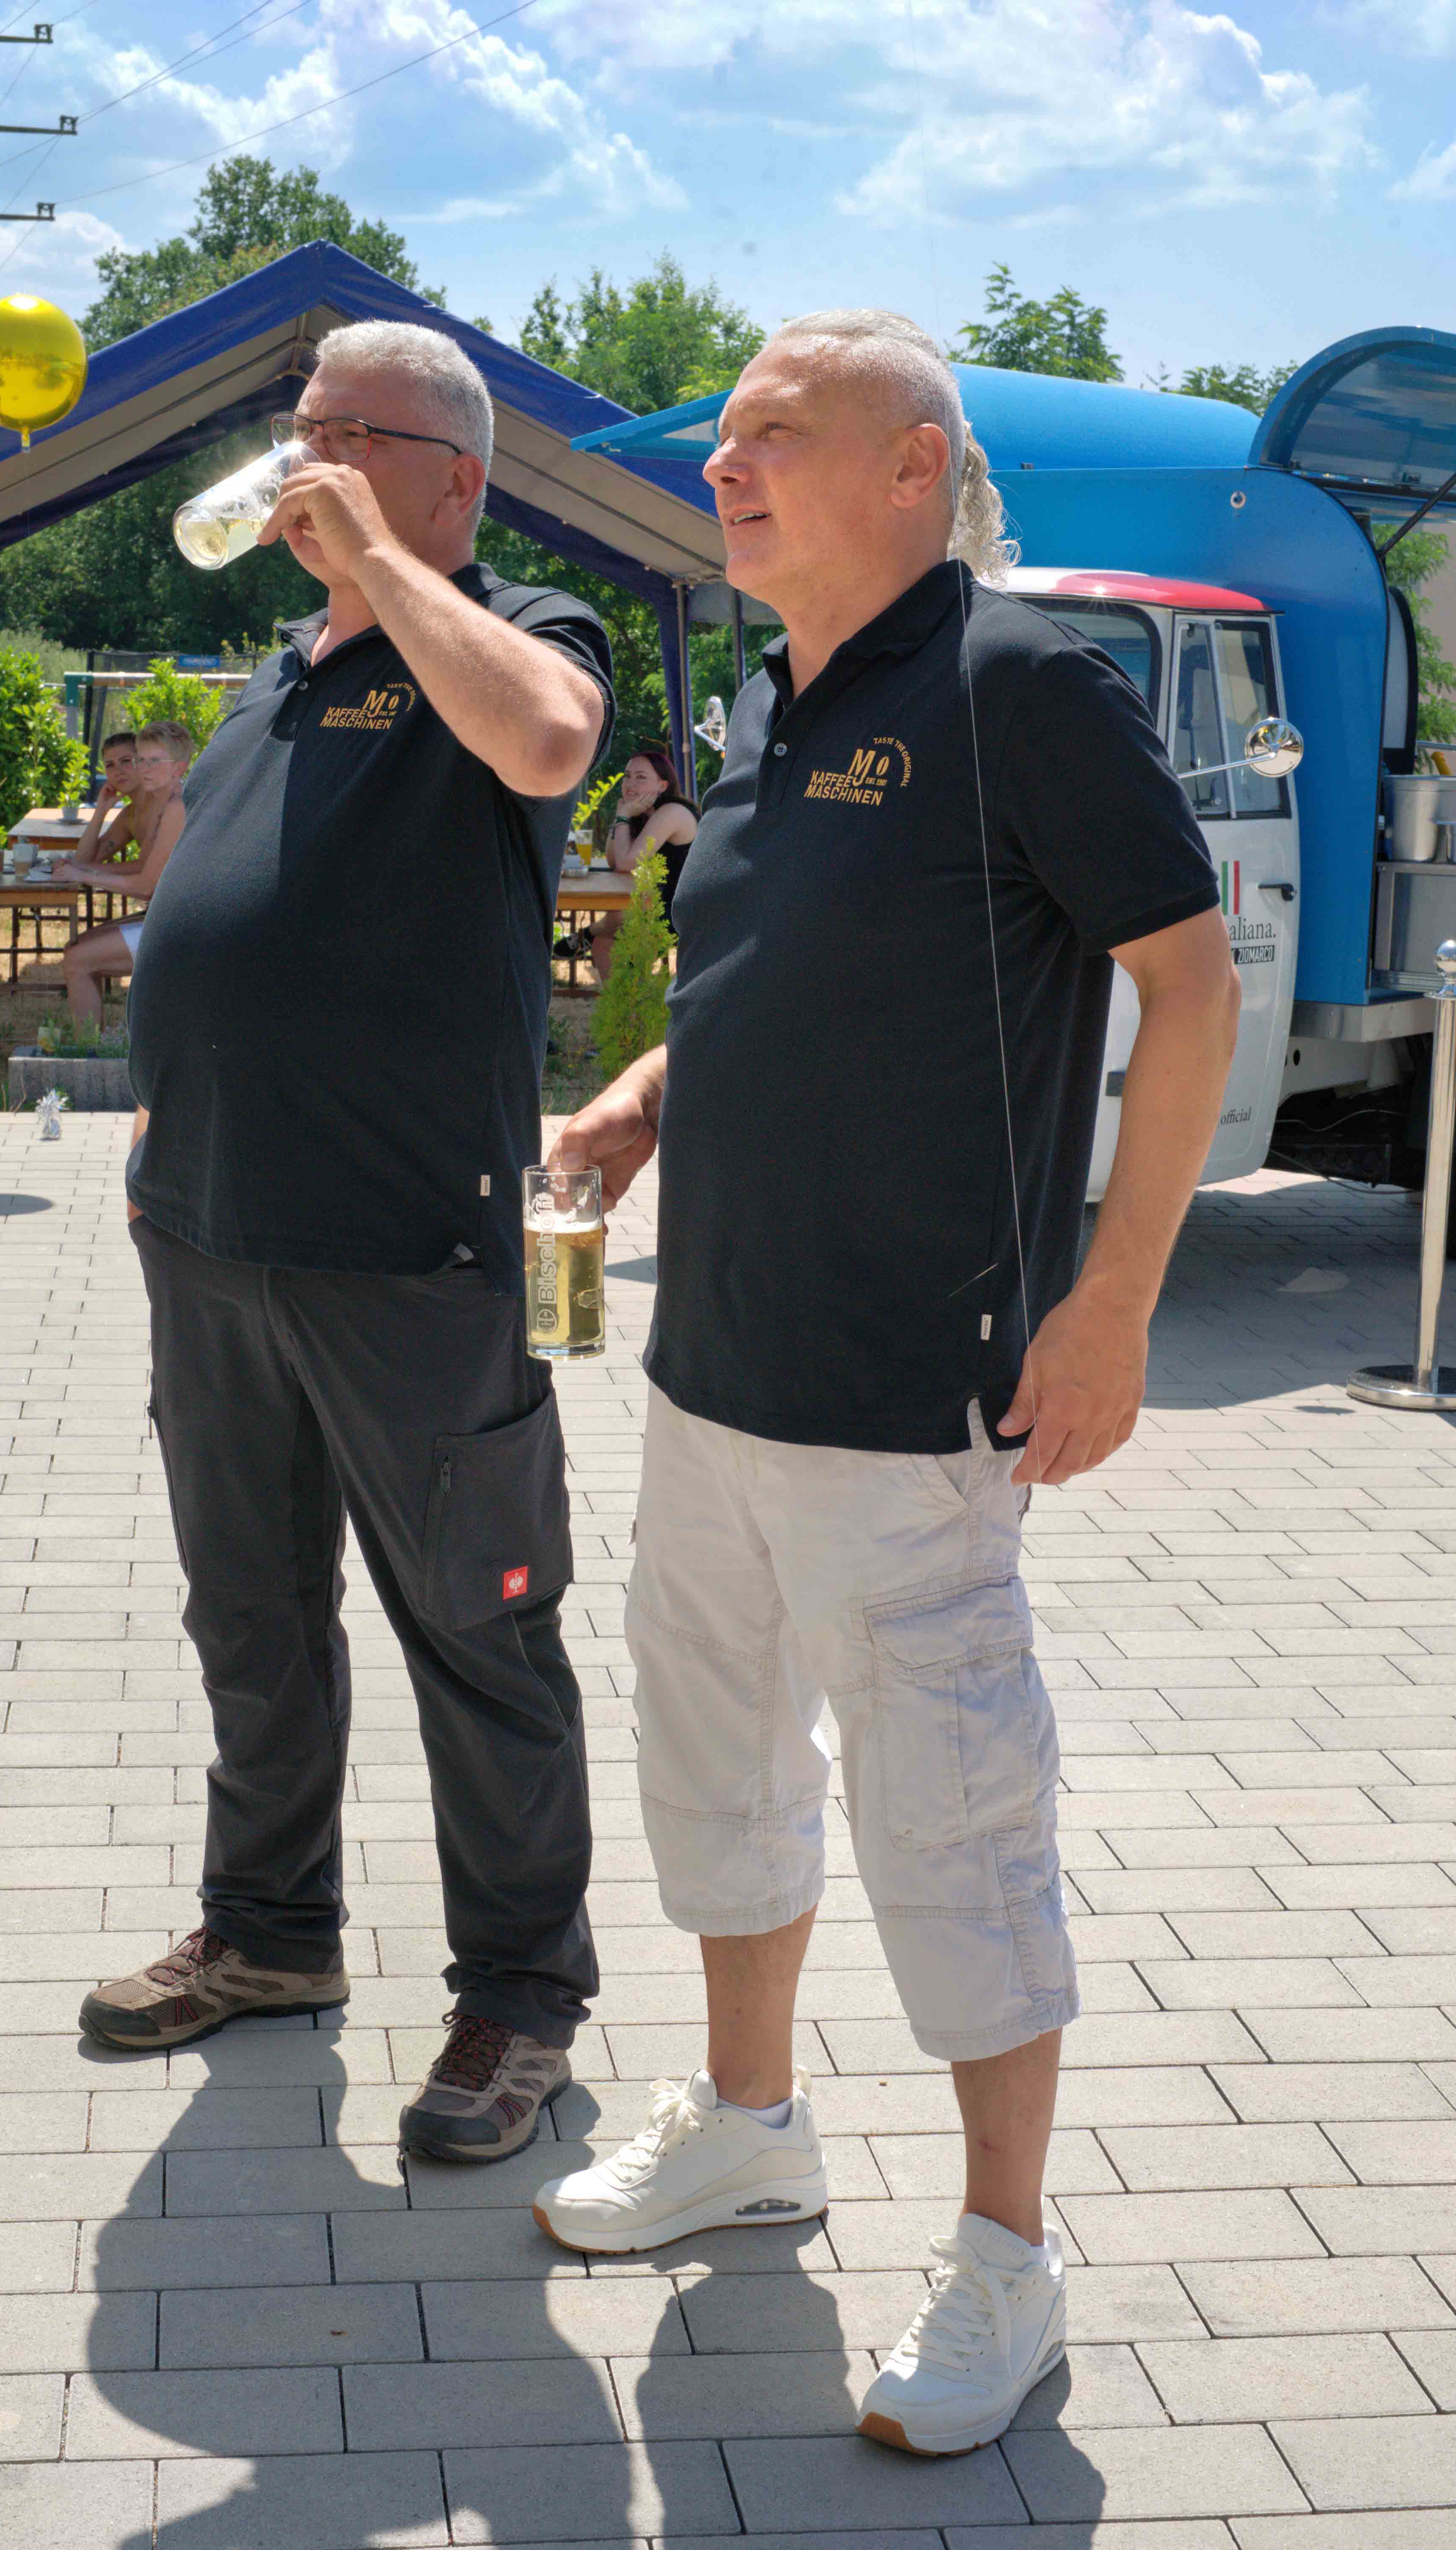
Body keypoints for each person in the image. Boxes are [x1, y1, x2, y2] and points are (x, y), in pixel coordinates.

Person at [532, 309, 1240, 2451]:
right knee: (716, 1776)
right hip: (707, 1368)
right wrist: (651, 1088)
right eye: (726, 443)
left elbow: (1187, 983)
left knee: (955, 1830)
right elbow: (782, 971)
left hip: (908, 1400)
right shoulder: (772, 696)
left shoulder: (1023, 683)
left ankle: (1006, 2258)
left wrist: (1112, 1300)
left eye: (773, 439)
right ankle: (750, 2124)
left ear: (914, 469)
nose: (725, 469)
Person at [78, 320, 616, 2169]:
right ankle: (269, 1935)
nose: (296, 455)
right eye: (292, 424)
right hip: (210, 1236)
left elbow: (551, 746)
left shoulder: (522, 628)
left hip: (407, 1249)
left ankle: (520, 1996)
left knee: (478, 1630)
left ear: (452, 478)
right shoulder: (270, 684)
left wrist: (381, 568)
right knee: (250, 1614)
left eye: (342, 431)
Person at [53, 722, 191, 1027]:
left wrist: (84, 874)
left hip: (186, 929)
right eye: (141, 760)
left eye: (153, 762)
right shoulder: (165, 803)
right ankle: (97, 1051)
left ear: (178, 768)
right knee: (77, 950)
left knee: (77, 959)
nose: (143, 769)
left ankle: (92, 1055)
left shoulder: (177, 807)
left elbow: (145, 885)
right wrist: (99, 815)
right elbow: (93, 861)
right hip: (165, 917)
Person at [588, 748, 698, 981]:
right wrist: (622, 817)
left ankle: (584, 935)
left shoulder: (672, 812)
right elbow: (614, 860)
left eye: (641, 777)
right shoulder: (644, 815)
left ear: (663, 786)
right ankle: (624, 1010)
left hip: (686, 912)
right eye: (627, 776)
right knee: (604, 942)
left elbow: (625, 864)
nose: (631, 783)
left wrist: (624, 816)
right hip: (660, 905)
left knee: (618, 918)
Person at [68, 731, 140, 867]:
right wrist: (101, 811)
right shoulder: (130, 815)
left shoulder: (166, 807)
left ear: (144, 762)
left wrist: (85, 874)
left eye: (126, 761)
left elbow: (149, 872)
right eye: (110, 765)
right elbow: (83, 862)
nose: (118, 771)